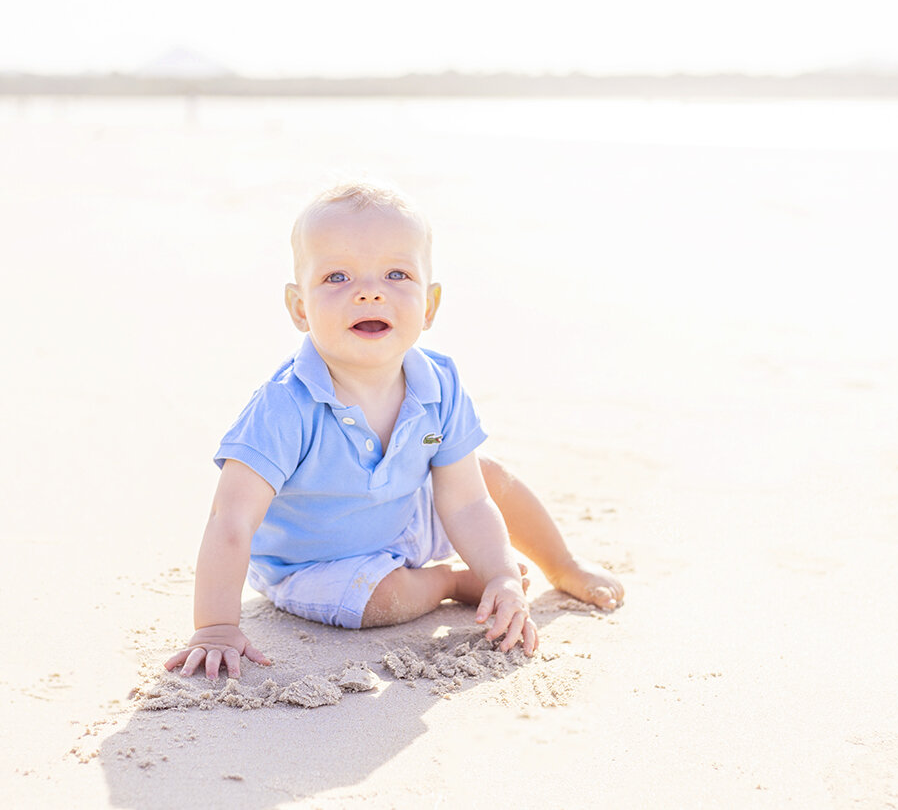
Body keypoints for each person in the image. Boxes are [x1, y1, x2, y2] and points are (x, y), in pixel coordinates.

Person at [165, 183, 624, 680]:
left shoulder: (439, 383)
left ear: (429, 306)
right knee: (377, 600)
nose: (369, 291)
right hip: (314, 565)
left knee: (485, 476)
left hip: (402, 516)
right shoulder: (284, 405)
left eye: (396, 274)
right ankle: (449, 582)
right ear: (300, 308)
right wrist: (214, 627)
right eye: (337, 276)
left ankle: (560, 565)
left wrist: (503, 574)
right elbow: (230, 519)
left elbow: (467, 505)